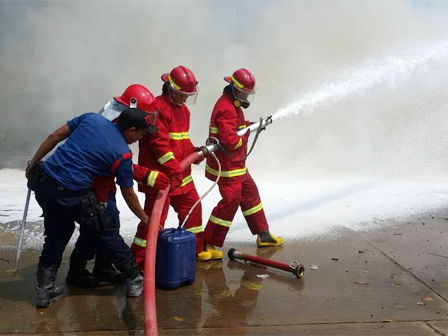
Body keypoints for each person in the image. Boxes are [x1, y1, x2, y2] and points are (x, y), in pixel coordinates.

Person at [26, 107, 157, 308]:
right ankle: (133, 279)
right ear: (131, 130)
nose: (141, 138)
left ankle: (45, 290)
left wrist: (32, 163)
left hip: (46, 184)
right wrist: (144, 217)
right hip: (73, 192)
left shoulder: (90, 119)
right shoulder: (122, 154)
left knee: (57, 235)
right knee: (106, 229)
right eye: (141, 133)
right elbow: (128, 192)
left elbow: (55, 136)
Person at [65, 84, 170, 288]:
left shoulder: (119, 119)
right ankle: (77, 272)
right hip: (93, 186)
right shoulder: (108, 123)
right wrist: (146, 176)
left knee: (109, 224)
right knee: (97, 228)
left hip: (105, 183)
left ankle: (103, 268)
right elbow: (117, 160)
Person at [131, 65, 211, 269]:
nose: (185, 99)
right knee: (155, 221)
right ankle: (138, 262)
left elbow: (181, 141)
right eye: (182, 94)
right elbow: (159, 145)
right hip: (162, 178)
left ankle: (195, 250)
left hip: (181, 177)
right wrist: (176, 169)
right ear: (170, 88)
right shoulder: (157, 108)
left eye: (188, 95)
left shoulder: (184, 110)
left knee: (193, 210)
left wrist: (195, 151)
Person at [203, 68, 284, 258]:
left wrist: (250, 126)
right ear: (234, 89)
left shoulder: (233, 105)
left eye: (248, 94)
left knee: (251, 196)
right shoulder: (226, 108)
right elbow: (230, 141)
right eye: (243, 93)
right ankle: (208, 242)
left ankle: (263, 235)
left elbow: (235, 128)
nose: (246, 97)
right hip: (228, 168)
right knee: (230, 202)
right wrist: (247, 133)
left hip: (237, 165)